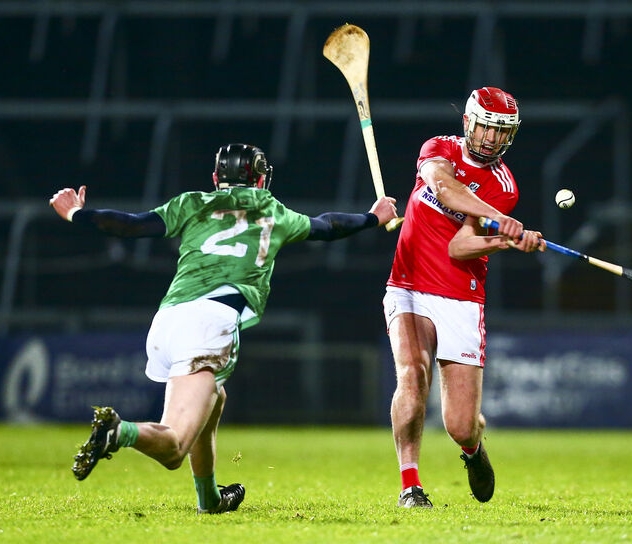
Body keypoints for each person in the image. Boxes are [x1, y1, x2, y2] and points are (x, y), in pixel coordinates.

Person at [50, 143, 398, 514]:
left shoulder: (193, 203)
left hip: (167, 321)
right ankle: (118, 432)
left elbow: (130, 225)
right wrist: (373, 217)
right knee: (173, 447)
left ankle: (210, 499)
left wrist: (75, 213)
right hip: (209, 325)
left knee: (216, 398)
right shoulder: (272, 212)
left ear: (217, 178)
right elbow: (328, 226)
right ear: (262, 179)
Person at [383, 87, 544, 508]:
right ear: (469, 122)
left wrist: (507, 243)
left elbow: (460, 247)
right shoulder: (439, 149)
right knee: (412, 379)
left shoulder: (504, 186)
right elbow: (444, 185)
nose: (491, 139)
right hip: (409, 285)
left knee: (459, 425)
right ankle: (410, 485)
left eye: (501, 132)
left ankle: (473, 447)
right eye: (486, 127)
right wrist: (500, 220)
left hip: (461, 296)